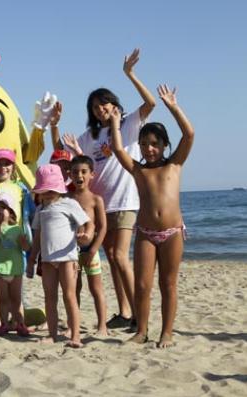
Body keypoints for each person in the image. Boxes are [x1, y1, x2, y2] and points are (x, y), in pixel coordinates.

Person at [54, 49, 157, 329]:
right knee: (111, 258)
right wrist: (55, 127)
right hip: (100, 205)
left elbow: (151, 103)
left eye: (105, 104)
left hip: (125, 202)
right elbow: (65, 157)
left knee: (121, 256)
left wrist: (130, 74)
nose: (101, 109)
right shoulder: (91, 136)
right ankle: (125, 312)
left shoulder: (130, 125)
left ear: (114, 104)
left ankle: (140, 314)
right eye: (96, 107)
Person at [110, 84, 194, 348]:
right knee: (143, 285)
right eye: (144, 144)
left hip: (172, 233)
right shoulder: (138, 170)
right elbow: (118, 149)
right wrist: (114, 123)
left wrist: (173, 106)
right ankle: (141, 331)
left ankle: (166, 333)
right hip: (145, 233)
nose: (149, 149)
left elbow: (189, 134)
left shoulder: (175, 163)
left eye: (155, 144)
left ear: (165, 145)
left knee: (168, 284)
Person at [26, 164, 93, 348]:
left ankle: (76, 335)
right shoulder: (40, 210)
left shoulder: (69, 204)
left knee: (69, 296)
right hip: (47, 261)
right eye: (44, 190)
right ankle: (53, 334)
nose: (47, 193)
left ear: (59, 188)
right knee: (50, 297)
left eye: (51, 189)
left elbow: (87, 223)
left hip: (68, 259)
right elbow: (38, 236)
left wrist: (85, 235)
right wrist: (32, 259)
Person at [0, 149, 34, 331]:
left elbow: (30, 211)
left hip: (16, 238)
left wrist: (29, 239)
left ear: (13, 166)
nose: (3, 168)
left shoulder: (21, 188)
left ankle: (18, 322)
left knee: (17, 290)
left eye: (7, 164)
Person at [69, 156, 108, 336]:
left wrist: (93, 250)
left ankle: (102, 326)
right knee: (73, 288)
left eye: (84, 172)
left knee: (96, 288)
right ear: (70, 174)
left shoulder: (95, 200)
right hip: (71, 252)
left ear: (92, 174)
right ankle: (73, 324)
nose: (80, 175)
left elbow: (102, 227)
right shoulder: (67, 199)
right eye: (75, 171)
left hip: (90, 250)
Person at [0, 193, 31, 336]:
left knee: (17, 299)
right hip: (0, 270)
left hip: (16, 270)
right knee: (4, 299)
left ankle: (20, 323)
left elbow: (25, 247)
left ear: (10, 212)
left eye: (3, 208)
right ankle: (4, 324)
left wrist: (25, 241)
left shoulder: (17, 229)